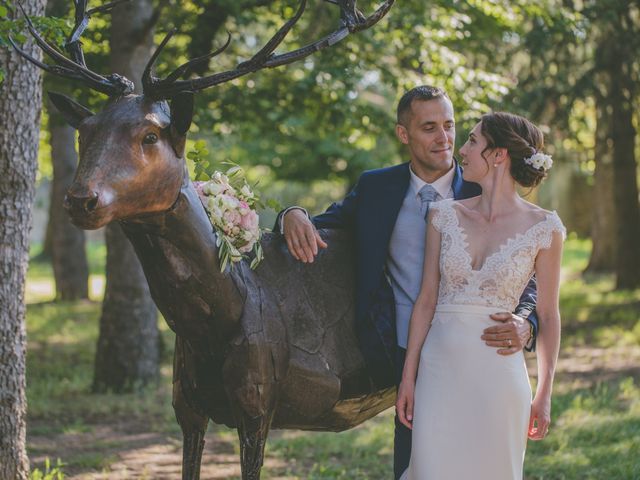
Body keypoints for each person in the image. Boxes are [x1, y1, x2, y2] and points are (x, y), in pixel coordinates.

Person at [273, 86, 539, 479]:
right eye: (429, 127)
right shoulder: (376, 188)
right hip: (403, 348)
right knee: (415, 461)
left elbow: (526, 268)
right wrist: (290, 213)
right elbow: (326, 222)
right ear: (404, 134)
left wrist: (526, 321)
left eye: (449, 126)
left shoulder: (485, 185)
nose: (444, 138)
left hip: (481, 349)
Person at [396, 112, 564, 479]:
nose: (463, 149)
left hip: (499, 378)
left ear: (499, 154)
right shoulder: (441, 216)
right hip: (437, 372)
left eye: (473, 141)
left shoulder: (546, 228)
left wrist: (544, 392)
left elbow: (549, 316)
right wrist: (408, 377)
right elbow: (426, 301)